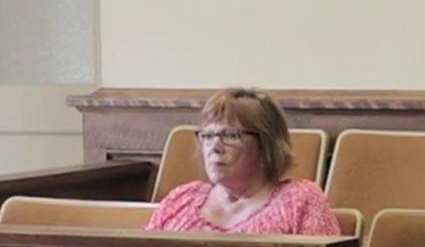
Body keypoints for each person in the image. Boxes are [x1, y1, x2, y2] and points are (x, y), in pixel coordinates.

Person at [145, 88, 341, 235]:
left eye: (230, 135)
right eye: (208, 135)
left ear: (266, 144)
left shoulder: (300, 201)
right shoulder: (180, 199)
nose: (215, 146)